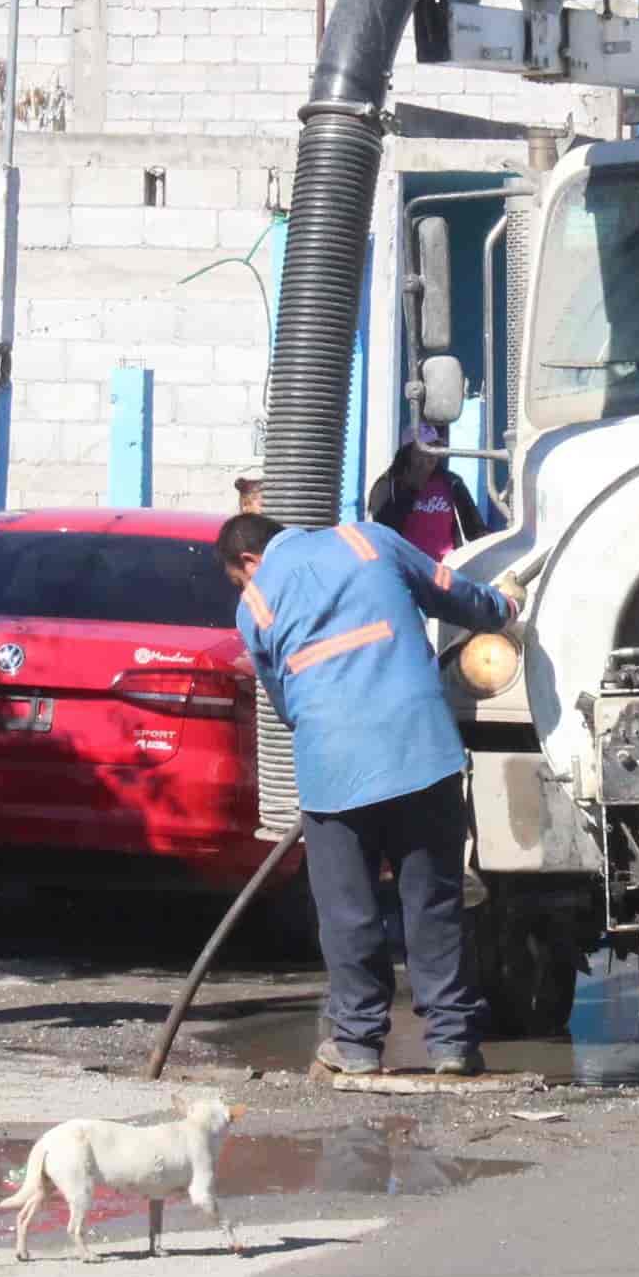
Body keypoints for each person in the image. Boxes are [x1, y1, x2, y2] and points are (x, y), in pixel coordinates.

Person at [220, 509, 519, 1077]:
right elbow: (453, 593)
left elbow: (284, 705)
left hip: (334, 773)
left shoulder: (253, 605)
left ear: (250, 562)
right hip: (419, 753)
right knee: (431, 902)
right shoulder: (368, 539)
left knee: (348, 912)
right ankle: (452, 1043)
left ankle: (357, 1046)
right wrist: (505, 607)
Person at [364, 424, 500, 561]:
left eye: (435, 449)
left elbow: (475, 530)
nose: (432, 456)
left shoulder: (452, 483)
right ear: (408, 452)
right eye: (425, 449)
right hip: (406, 569)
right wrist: (411, 491)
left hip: (445, 571)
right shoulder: (387, 486)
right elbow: (382, 535)